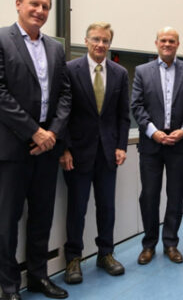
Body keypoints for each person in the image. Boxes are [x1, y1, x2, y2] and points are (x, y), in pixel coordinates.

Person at [0, 0, 71, 300]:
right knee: (7, 220)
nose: (40, 11)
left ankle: (39, 278)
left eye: (45, 6)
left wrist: (51, 133)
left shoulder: (55, 48)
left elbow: (65, 94)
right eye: (34, 4)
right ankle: (9, 285)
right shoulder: (2, 40)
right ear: (18, 4)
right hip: (13, 147)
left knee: (42, 215)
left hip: (47, 147)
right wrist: (33, 131)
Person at [59, 23, 130, 283]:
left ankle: (105, 254)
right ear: (86, 41)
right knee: (77, 208)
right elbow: (62, 112)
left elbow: (123, 115)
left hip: (108, 153)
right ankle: (73, 259)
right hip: (77, 152)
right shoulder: (69, 70)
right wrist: (64, 147)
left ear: (110, 44)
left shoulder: (120, 73)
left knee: (107, 207)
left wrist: (121, 146)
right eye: (96, 39)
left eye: (105, 40)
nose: (101, 44)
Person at [131, 27, 183, 264]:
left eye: (172, 41)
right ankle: (149, 244)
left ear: (178, 44)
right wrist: (153, 132)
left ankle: (171, 243)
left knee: (176, 195)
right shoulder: (142, 71)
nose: (167, 44)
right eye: (163, 40)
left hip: (179, 144)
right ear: (156, 43)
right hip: (152, 145)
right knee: (149, 195)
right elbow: (137, 106)